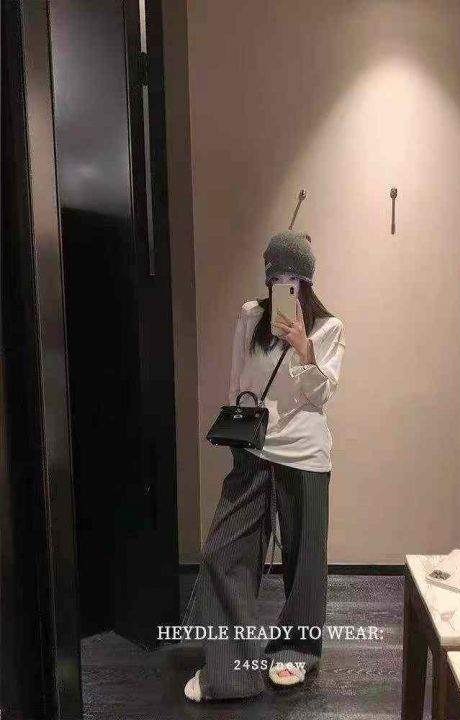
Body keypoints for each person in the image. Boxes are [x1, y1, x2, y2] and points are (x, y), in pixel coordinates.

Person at [184, 230, 346, 702]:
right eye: (274, 275)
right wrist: (239, 435)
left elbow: (322, 395)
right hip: (254, 452)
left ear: (306, 280)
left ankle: (297, 650)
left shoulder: (328, 327)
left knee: (305, 561)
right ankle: (230, 672)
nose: (281, 285)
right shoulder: (250, 316)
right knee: (221, 553)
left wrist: (304, 348)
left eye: (291, 277)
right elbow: (238, 383)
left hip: (306, 457)